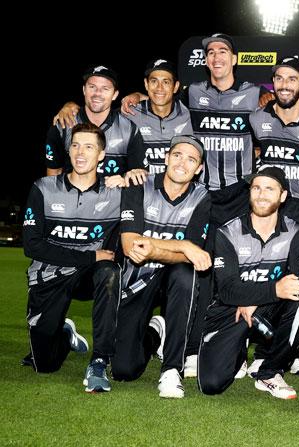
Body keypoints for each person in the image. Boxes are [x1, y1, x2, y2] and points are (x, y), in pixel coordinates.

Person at [119, 35, 299, 377]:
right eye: (210, 53)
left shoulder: (257, 95)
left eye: (222, 52)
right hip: (207, 194)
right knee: (204, 271)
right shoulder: (193, 93)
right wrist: (138, 96)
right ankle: (196, 345)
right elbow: (161, 97)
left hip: (242, 192)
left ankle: (263, 344)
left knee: (253, 263)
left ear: (234, 58)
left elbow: (285, 105)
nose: (216, 57)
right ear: (206, 60)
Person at [247, 56, 299, 377]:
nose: (285, 85)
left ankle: (295, 348)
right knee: (270, 277)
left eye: (292, 79)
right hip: (274, 211)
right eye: (279, 79)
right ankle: (262, 348)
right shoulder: (257, 118)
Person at [23, 122, 122, 392]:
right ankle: (65, 334)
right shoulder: (43, 188)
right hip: (50, 274)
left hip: (89, 277)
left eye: (89, 147)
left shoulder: (117, 193)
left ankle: (100, 360)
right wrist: (91, 256)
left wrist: (136, 174)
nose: (81, 152)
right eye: (75, 145)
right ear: (68, 151)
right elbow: (32, 246)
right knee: (44, 365)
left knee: (109, 273)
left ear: (101, 154)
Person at [112, 135, 211, 399]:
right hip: (137, 280)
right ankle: (156, 332)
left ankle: (171, 369)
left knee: (185, 274)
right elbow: (131, 246)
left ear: (199, 168)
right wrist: (182, 245)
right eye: (177, 155)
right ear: (166, 158)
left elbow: (192, 257)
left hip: (172, 280)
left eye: (191, 159)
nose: (182, 163)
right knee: (124, 370)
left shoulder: (202, 197)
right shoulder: (139, 184)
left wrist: (157, 249)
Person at [198, 166, 299, 399]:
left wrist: (256, 298)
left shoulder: (296, 231)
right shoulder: (227, 232)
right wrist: (271, 290)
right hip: (230, 312)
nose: (261, 194)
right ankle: (238, 352)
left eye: (269, 189)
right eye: (256, 188)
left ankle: (269, 371)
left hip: (266, 308)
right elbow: (227, 291)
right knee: (211, 384)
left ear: (283, 195)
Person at [47, 65, 143, 188]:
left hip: (113, 203)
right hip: (71, 203)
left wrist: (124, 181)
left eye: (105, 88)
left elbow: (137, 174)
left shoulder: (129, 129)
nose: (97, 93)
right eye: (92, 87)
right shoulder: (63, 124)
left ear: (115, 95)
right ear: (84, 90)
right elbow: (53, 173)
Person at [123, 58, 193, 182]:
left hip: (178, 192)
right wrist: (75, 108)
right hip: (142, 192)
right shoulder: (130, 112)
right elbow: (99, 117)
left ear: (175, 87)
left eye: (166, 82)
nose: (159, 88)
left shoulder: (188, 112)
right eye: (154, 81)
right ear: (146, 84)